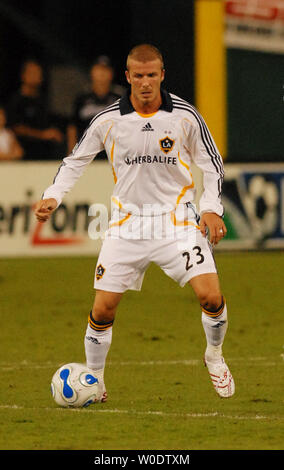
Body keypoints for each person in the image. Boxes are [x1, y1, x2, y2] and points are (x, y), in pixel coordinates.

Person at [34, 44, 235, 401]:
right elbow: (76, 159)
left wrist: (211, 208)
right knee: (103, 308)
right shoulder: (108, 119)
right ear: (127, 77)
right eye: (138, 76)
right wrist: (54, 194)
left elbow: (212, 163)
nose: (145, 83)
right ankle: (95, 381)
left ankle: (214, 356)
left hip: (177, 221)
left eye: (152, 75)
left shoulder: (185, 115)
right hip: (127, 224)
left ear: (162, 75)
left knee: (211, 296)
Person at [6, 59, 65, 160]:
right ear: (23, 76)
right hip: (23, 157)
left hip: (45, 156)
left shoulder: (43, 100)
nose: (37, 76)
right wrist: (43, 135)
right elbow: (15, 128)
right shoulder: (16, 101)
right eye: (32, 73)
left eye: (38, 73)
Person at [67, 56, 121, 157]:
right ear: (92, 72)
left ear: (111, 74)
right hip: (86, 155)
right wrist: (71, 155)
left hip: (114, 155)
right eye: (98, 69)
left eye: (105, 70)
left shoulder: (120, 98)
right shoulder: (81, 99)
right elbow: (72, 127)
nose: (101, 73)